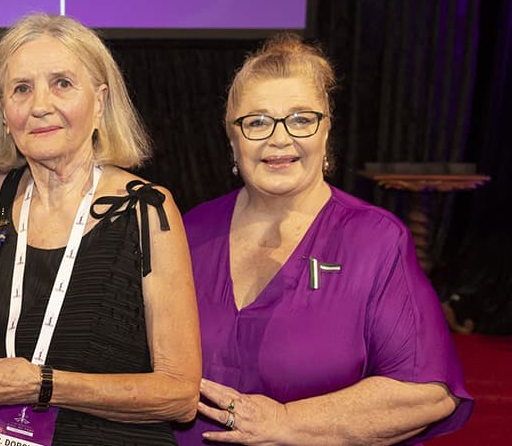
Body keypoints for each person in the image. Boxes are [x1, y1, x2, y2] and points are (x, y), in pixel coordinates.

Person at [0, 13, 201, 445]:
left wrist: (42, 385)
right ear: (4, 111)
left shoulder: (147, 210)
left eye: (62, 84)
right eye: (21, 88)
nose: (40, 106)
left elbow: (179, 395)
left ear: (100, 102)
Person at [174, 34, 473, 445]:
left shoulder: (374, 240)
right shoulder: (188, 230)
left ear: (326, 131)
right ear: (232, 139)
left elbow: (426, 394)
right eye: (257, 122)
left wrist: (285, 422)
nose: (279, 138)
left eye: (301, 119)